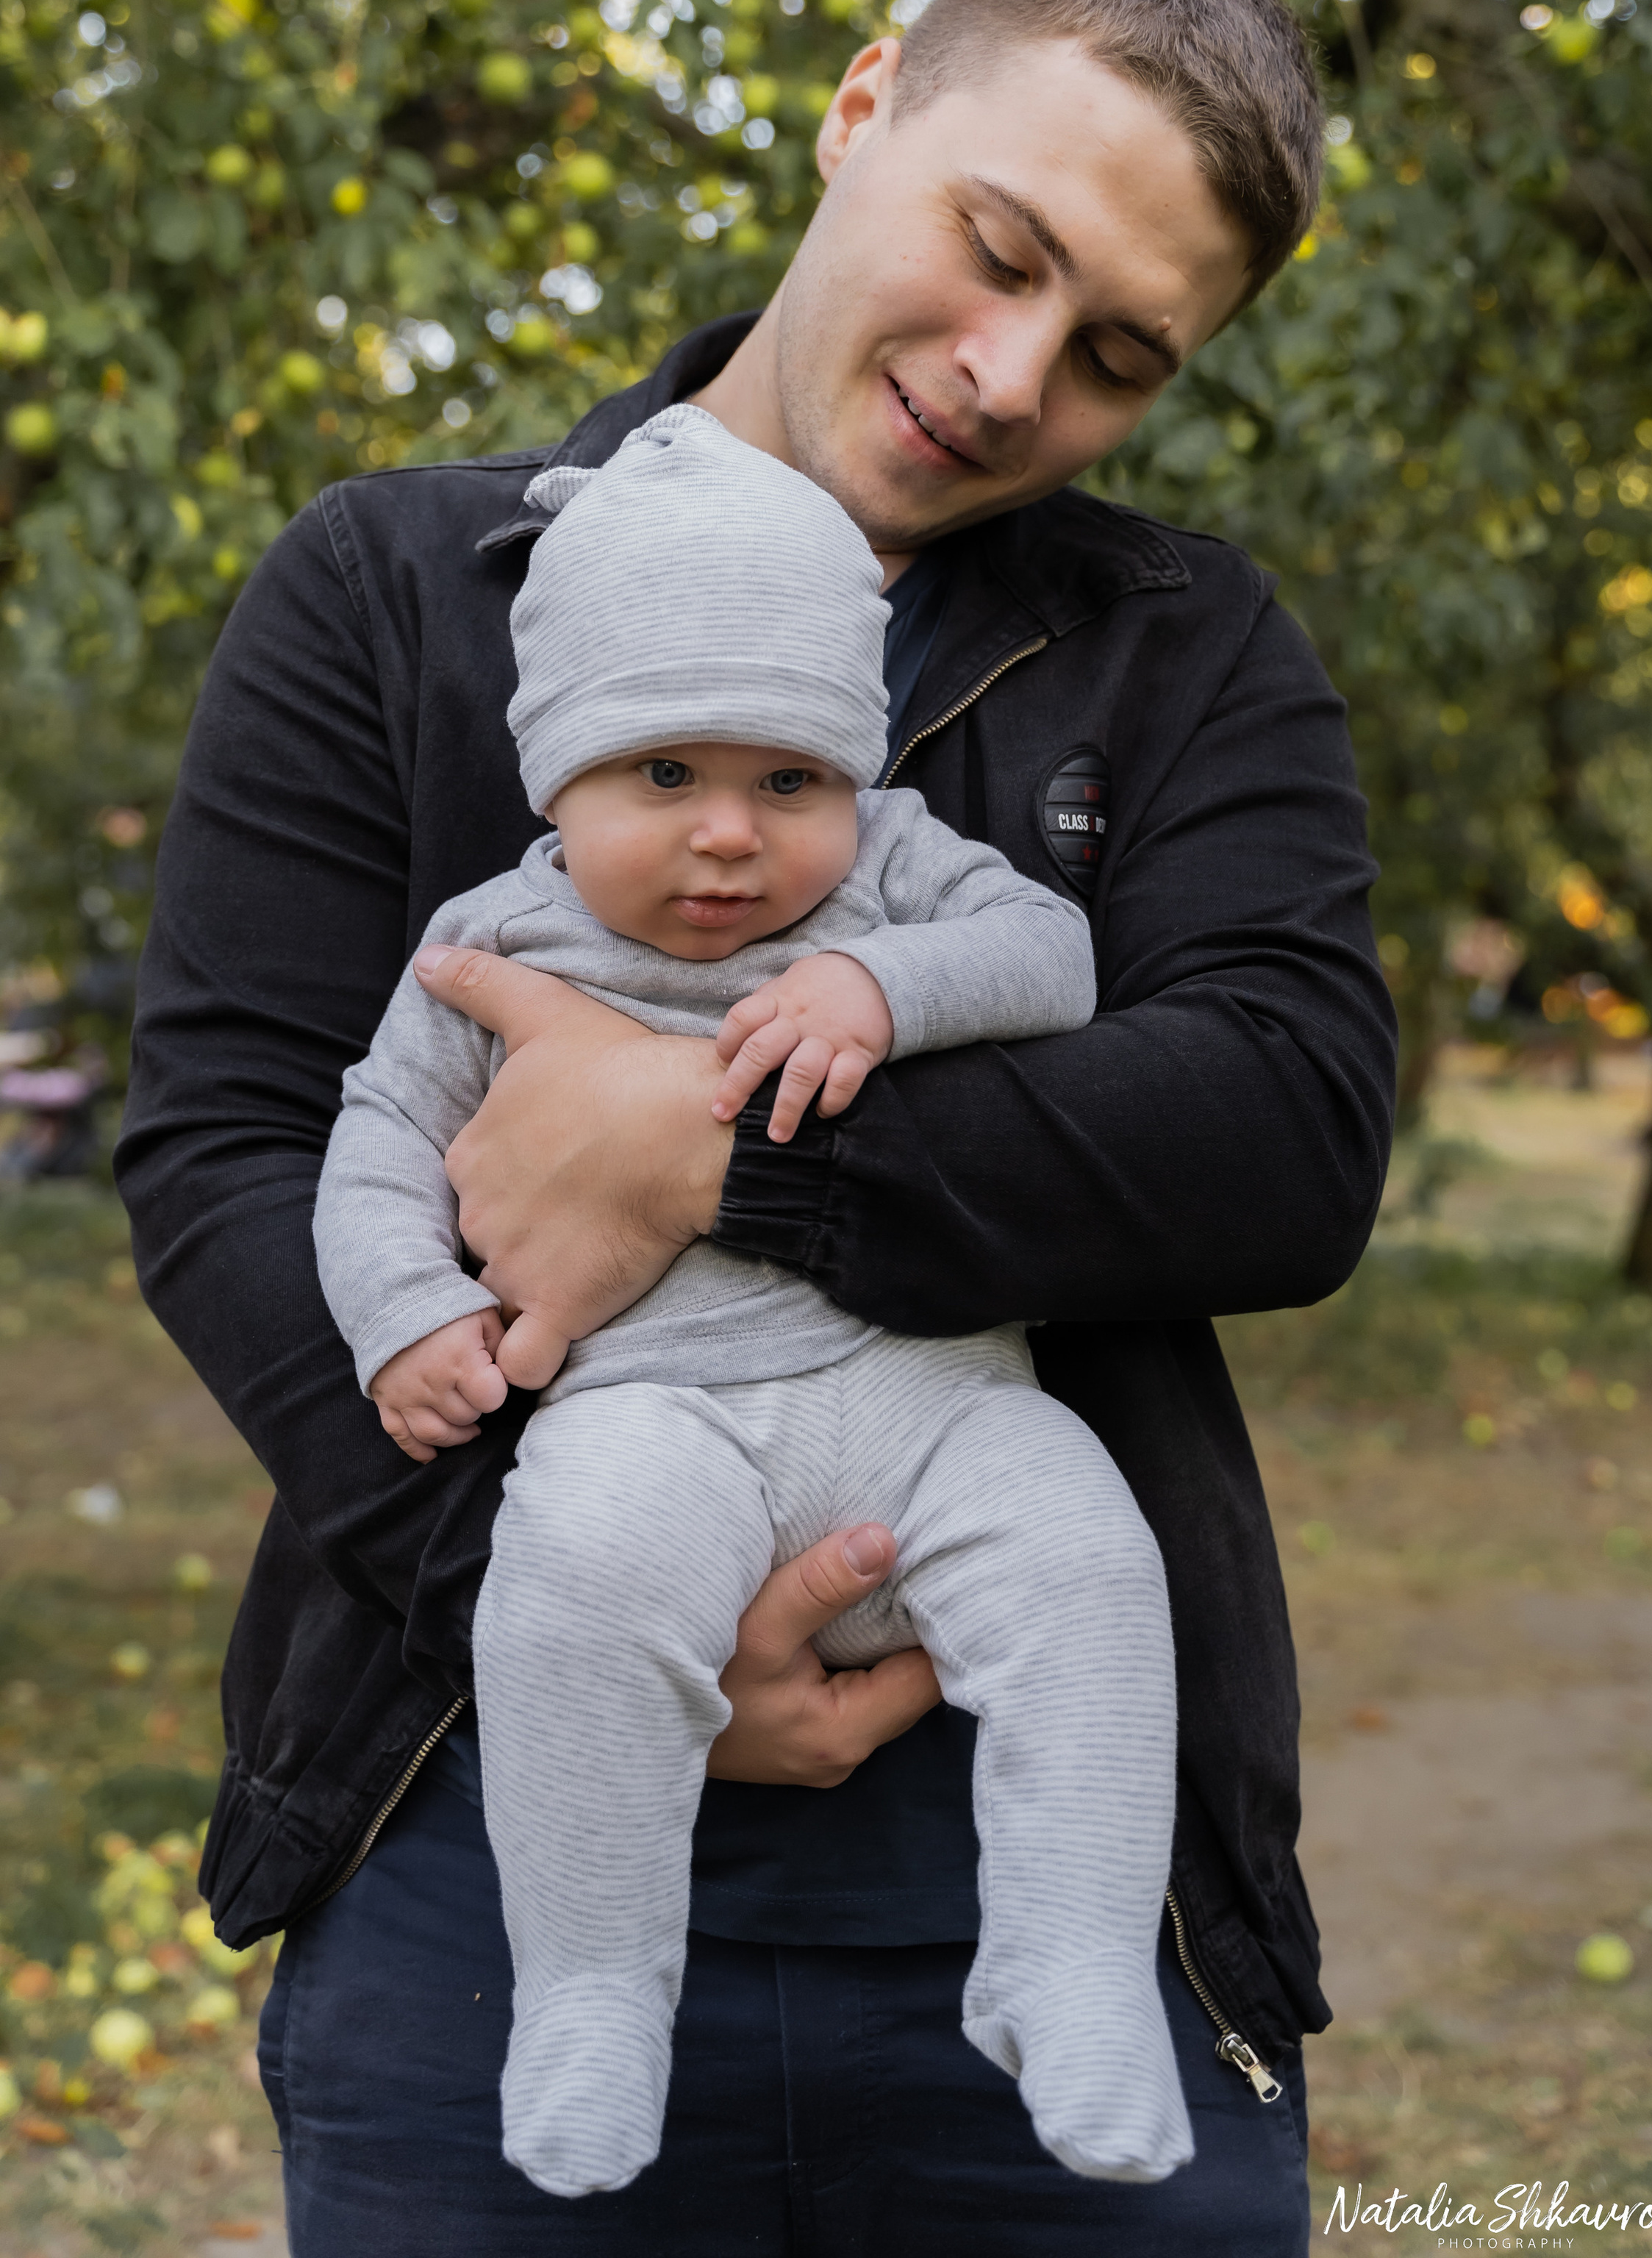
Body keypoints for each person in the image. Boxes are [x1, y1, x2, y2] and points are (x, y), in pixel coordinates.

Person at [115, 0, 1398, 2256]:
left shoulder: (1181, 651)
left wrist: (707, 1154)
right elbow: (225, 1154)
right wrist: (575, 1607)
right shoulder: (395, 590)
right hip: (470, 1837)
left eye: (1119, 355)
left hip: (1072, 1862)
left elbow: (1287, 1128)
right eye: (1000, 250)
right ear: (865, 102)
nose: (1010, 378)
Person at [314, 403, 1187, 2198]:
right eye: (663, 775)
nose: (728, 836)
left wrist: (882, 987)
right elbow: (377, 1135)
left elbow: (1052, 952)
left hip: (929, 1399)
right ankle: (589, 1992)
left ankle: (1074, 1963)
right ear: (553, 777)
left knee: (1088, 1563)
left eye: (788, 780)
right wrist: (405, 1313)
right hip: (656, 1415)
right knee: (571, 1589)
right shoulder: (495, 941)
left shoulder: (896, 870)